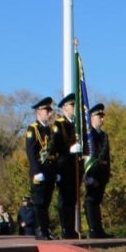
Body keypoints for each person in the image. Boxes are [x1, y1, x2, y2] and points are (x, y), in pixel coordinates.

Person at [25, 96, 57, 240]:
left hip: (49, 171)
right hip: (39, 172)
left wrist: (56, 171)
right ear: (39, 112)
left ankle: (46, 230)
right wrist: (36, 171)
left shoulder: (49, 130)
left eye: (50, 110)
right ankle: (40, 230)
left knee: (46, 202)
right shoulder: (33, 129)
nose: (49, 113)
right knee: (39, 202)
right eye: (47, 110)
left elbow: (53, 152)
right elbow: (31, 152)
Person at [52, 93, 82, 238]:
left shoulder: (76, 124)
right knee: (64, 200)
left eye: (73, 105)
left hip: (75, 167)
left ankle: (71, 228)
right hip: (63, 167)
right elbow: (55, 147)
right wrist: (68, 149)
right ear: (64, 108)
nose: (73, 108)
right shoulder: (59, 125)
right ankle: (65, 229)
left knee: (72, 199)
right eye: (71, 105)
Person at [83, 103, 113, 238]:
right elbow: (87, 156)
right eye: (99, 115)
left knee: (97, 201)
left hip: (101, 174)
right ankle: (93, 230)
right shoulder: (88, 135)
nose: (102, 119)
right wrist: (88, 175)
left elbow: (106, 156)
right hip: (92, 173)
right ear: (91, 117)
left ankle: (99, 229)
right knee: (90, 200)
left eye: (102, 116)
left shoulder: (104, 135)